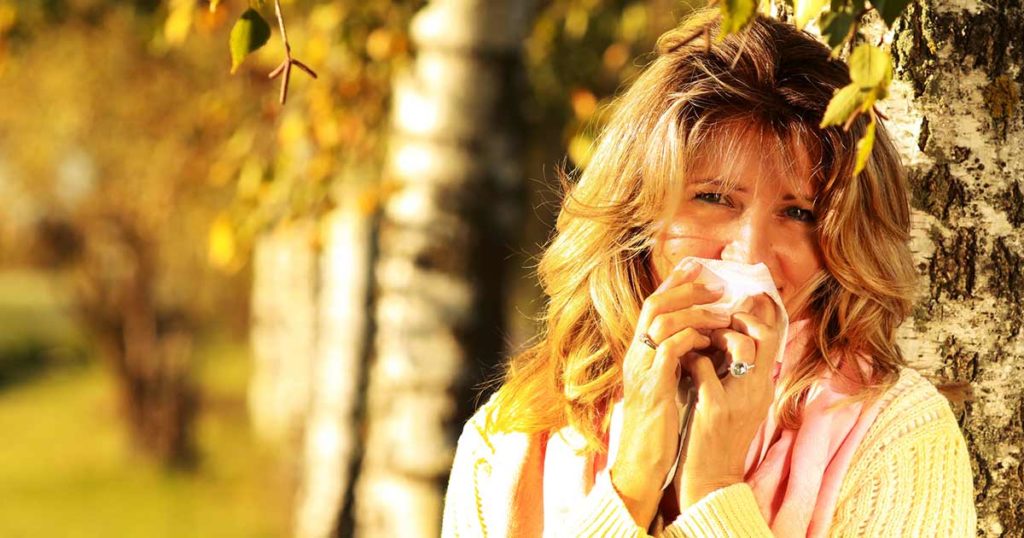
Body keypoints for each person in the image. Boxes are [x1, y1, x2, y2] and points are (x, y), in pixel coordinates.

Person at [441, 8, 976, 538]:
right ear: (638, 211)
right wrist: (630, 484)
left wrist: (715, 487)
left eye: (799, 213)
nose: (749, 256)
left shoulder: (898, 432)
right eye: (714, 198)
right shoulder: (513, 437)